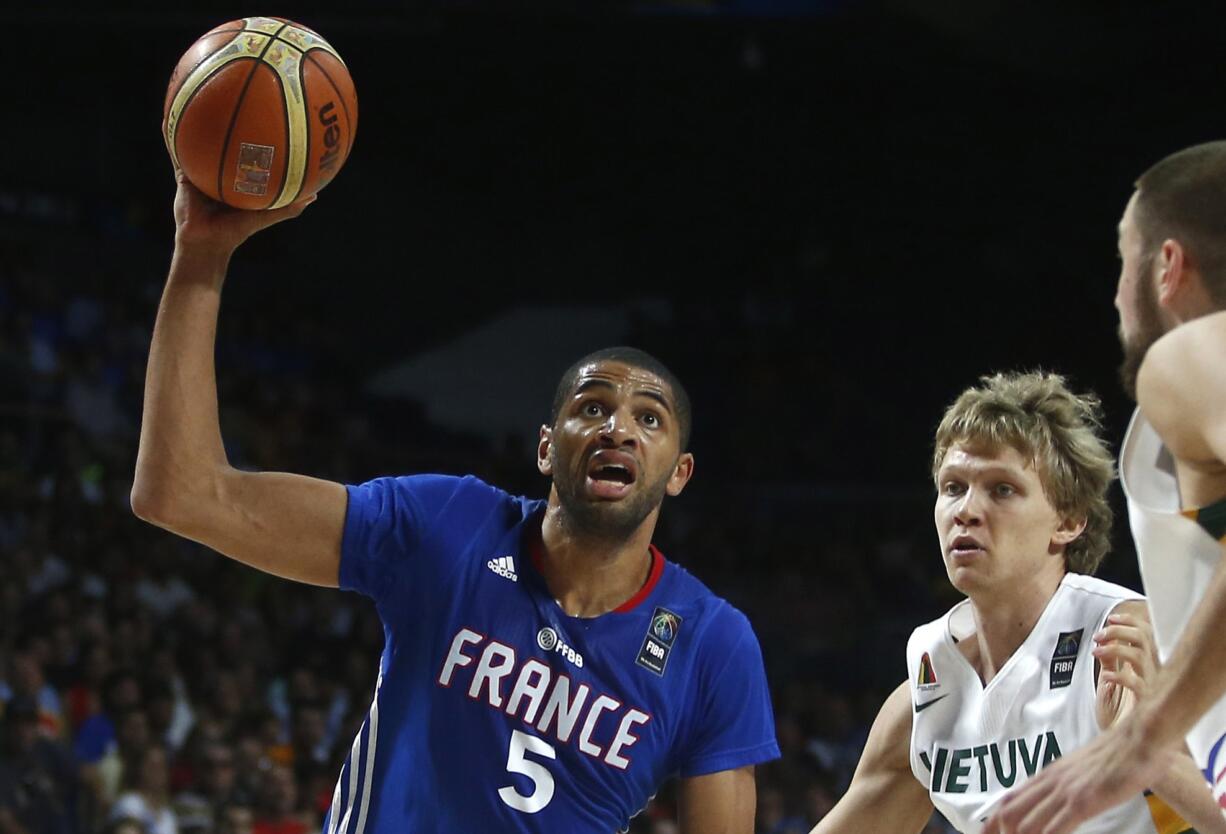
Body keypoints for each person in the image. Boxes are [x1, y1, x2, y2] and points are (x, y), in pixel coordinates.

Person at [131, 176, 779, 833]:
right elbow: (183, 494)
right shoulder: (449, 526)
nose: (617, 428)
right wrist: (200, 257)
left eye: (649, 419)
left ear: (679, 472)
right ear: (547, 449)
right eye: (593, 408)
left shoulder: (713, 645)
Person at [808, 372, 1226, 834]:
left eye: (1001, 489)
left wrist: (1147, 749)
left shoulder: (1126, 641)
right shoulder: (927, 694)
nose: (965, 510)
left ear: (1068, 522)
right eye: (952, 487)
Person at [985, 143, 1226, 832]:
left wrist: (1145, 735)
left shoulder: (1189, 354)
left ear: (1168, 268)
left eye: (1125, 262)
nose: (1118, 293)